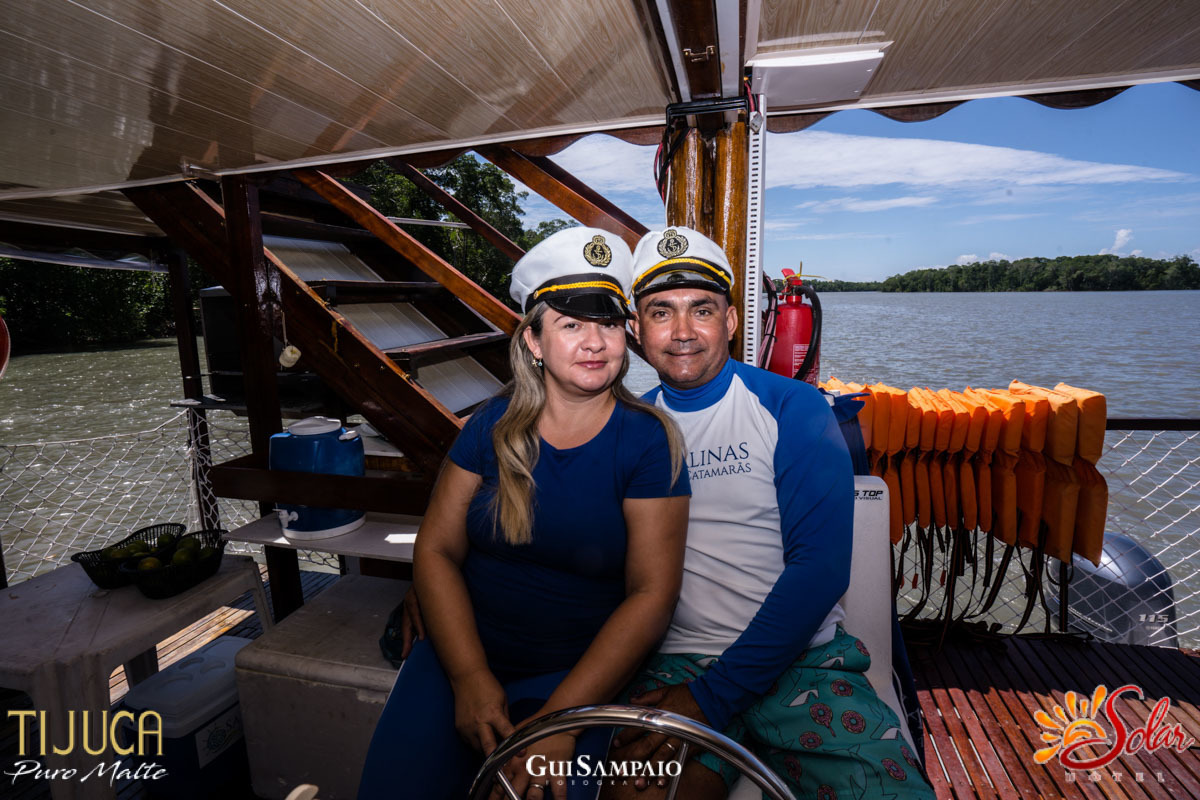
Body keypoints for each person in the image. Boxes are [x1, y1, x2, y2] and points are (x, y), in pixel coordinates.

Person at [356, 226, 690, 800]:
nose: (594, 341)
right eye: (570, 324)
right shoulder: (490, 427)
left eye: (608, 323)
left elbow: (651, 596)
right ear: (533, 342)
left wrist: (562, 723)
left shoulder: (649, 441)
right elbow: (436, 550)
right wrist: (468, 677)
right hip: (462, 656)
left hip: (578, 676)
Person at [605, 227, 934, 800]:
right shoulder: (625, 427)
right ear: (636, 330)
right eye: (661, 311)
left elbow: (820, 570)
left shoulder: (793, 408)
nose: (682, 332)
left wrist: (715, 697)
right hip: (672, 664)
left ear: (731, 322)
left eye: (701, 310)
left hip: (801, 661)